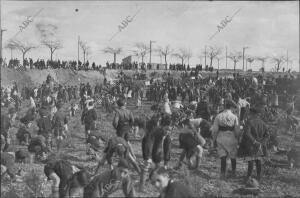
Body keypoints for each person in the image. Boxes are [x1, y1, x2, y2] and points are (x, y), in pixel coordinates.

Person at [140, 115, 173, 191]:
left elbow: (167, 148)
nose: (168, 132)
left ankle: (149, 179)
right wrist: (148, 157)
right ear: (163, 126)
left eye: (170, 130)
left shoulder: (167, 136)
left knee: (157, 166)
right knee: (146, 166)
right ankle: (141, 187)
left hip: (157, 150)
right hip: (148, 147)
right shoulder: (156, 131)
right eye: (167, 129)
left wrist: (166, 163)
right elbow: (149, 143)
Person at [237, 106, 269, 181]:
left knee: (250, 160)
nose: (250, 114)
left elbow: (247, 133)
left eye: (251, 113)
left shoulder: (249, 122)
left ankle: (249, 176)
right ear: (258, 114)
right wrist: (262, 143)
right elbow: (267, 135)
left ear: (253, 114)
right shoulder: (263, 123)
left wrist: (254, 142)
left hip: (251, 144)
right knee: (258, 160)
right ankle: (259, 176)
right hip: (260, 145)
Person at [212, 99, 240, 179]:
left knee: (223, 157)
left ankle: (222, 174)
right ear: (231, 107)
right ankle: (234, 173)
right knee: (233, 156)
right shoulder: (234, 117)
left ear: (224, 107)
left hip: (221, 137)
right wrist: (237, 138)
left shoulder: (218, 116)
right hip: (231, 137)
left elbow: (215, 130)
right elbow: (237, 130)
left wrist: (214, 140)